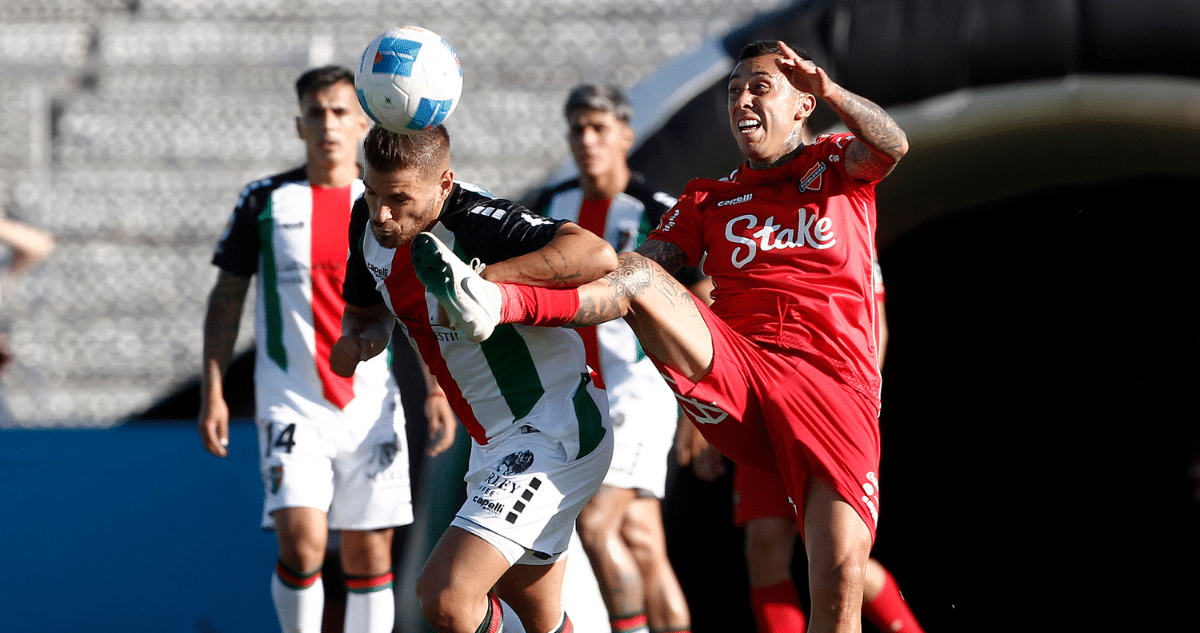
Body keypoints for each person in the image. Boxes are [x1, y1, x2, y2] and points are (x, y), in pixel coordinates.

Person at [412, 40, 909, 633]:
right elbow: (622, 279)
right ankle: (495, 302)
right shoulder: (708, 199)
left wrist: (830, 89)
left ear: (803, 104)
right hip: (744, 376)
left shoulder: (836, 165)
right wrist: (505, 286)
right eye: (733, 91)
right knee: (640, 273)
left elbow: (892, 144)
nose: (742, 100)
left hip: (835, 393)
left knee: (840, 584)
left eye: (759, 87)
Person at [330, 123, 618, 633]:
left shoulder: (479, 222)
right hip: (493, 440)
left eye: (398, 199)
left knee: (445, 596)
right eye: (371, 192)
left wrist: (484, 284)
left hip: (555, 427)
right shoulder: (367, 223)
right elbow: (365, 311)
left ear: (444, 185)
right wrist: (362, 340)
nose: (382, 214)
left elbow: (597, 255)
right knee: (536, 613)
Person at [198, 66, 421, 633]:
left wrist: (439, 386)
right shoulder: (266, 200)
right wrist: (214, 391)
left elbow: (417, 295)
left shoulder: (388, 202)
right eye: (316, 113)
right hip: (291, 400)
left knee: (370, 556)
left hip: (370, 404)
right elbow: (226, 300)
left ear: (363, 121)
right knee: (303, 546)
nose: (329, 124)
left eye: (341, 111)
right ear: (300, 124)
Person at [680, 259, 923, 633]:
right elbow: (724, 325)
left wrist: (857, 407)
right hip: (764, 410)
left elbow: (874, 324)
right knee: (763, 548)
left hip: (830, 409)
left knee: (840, 557)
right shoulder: (742, 219)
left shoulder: (840, 215)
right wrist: (717, 418)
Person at [533, 84, 692, 633]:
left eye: (598, 127)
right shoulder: (551, 206)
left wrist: (700, 392)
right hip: (580, 395)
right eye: (577, 128)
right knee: (644, 544)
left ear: (626, 134)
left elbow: (708, 288)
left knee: (597, 525)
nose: (587, 139)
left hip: (640, 396)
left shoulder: (655, 209)